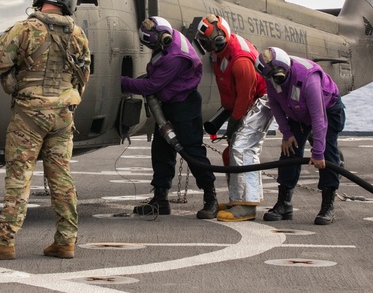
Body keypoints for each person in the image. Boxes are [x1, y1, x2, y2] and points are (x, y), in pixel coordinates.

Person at [0, 0, 91, 260]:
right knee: (61, 178)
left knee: (19, 179)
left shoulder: (24, 29)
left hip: (29, 116)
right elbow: (83, 78)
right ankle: (66, 240)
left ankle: (3, 241)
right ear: (69, 1)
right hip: (62, 116)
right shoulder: (78, 35)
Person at [121, 17, 218, 219]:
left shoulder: (174, 58)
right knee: (161, 150)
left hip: (184, 105)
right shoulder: (170, 36)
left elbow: (151, 86)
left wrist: (122, 82)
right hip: (171, 102)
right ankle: (160, 199)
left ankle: (211, 198)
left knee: (192, 151)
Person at [194, 14, 273, 221]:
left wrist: (234, 123)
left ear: (219, 39)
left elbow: (246, 96)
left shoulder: (241, 60)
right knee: (229, 153)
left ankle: (247, 206)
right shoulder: (220, 50)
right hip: (242, 102)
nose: (208, 48)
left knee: (242, 148)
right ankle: (237, 199)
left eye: (209, 43)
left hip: (261, 100)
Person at [257, 47, 346, 225]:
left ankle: (327, 206)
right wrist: (287, 133)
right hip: (297, 112)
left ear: (283, 72)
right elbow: (274, 103)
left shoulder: (308, 79)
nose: (273, 82)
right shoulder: (271, 74)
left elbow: (319, 118)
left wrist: (318, 152)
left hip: (328, 110)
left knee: (328, 153)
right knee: (289, 151)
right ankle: (284, 203)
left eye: (274, 79)